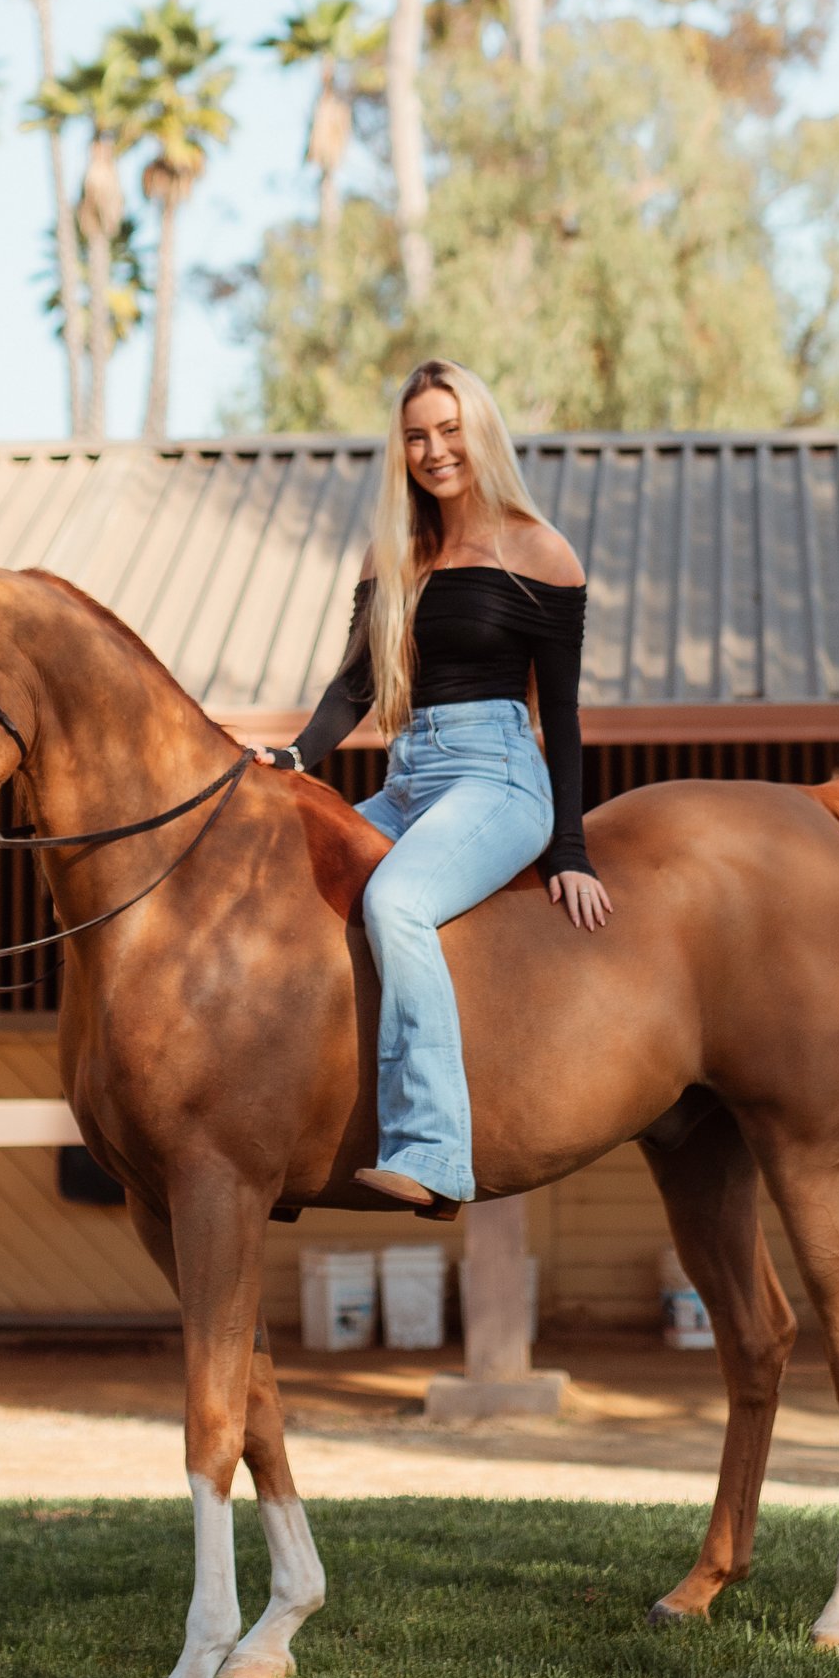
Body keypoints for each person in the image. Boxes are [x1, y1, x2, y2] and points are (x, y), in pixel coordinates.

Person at [247, 358, 611, 1210]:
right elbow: (357, 687)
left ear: (479, 433)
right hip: (407, 773)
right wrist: (297, 761)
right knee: (291, 886)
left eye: (449, 430)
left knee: (397, 904)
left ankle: (436, 1150)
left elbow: (560, 714)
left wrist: (571, 846)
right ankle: (283, 1126)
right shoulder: (393, 554)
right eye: (417, 436)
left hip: (500, 779)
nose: (434, 449)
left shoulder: (541, 552)